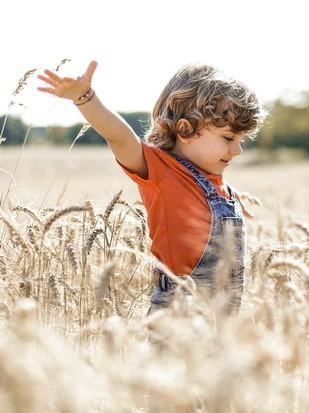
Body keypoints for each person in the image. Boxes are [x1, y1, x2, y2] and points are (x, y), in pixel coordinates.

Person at [37, 61, 266, 315]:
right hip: (178, 311)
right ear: (185, 129)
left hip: (223, 315)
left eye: (241, 140)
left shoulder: (218, 186)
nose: (237, 150)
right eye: (228, 138)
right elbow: (120, 137)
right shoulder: (162, 172)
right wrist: (84, 97)